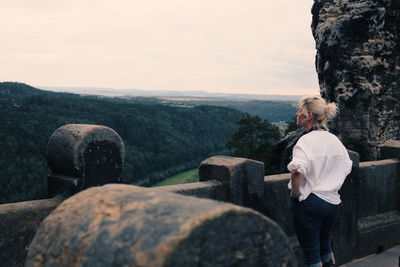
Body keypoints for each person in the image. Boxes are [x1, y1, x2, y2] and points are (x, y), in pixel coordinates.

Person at [287, 96, 352, 267]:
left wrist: (295, 194)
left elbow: (297, 172)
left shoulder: (305, 141)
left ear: (308, 116)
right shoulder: (334, 140)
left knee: (311, 254)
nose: (297, 113)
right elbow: (347, 166)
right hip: (332, 203)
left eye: (300, 111)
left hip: (310, 203)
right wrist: (331, 182)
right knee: (325, 247)